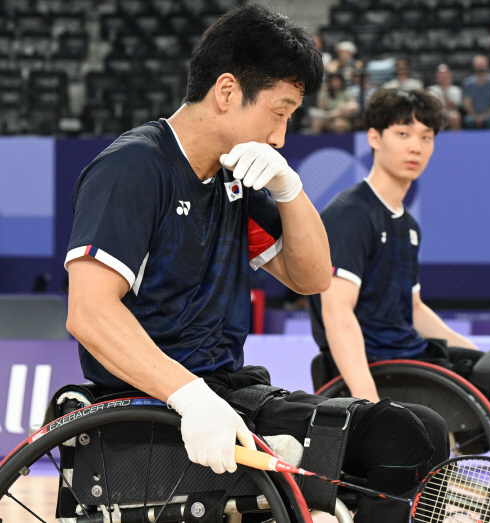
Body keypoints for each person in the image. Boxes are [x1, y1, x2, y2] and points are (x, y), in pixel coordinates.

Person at [64, 7, 447, 523]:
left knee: (418, 430)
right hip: (155, 403)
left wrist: (289, 190)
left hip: (234, 390)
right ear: (226, 92)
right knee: (401, 437)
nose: (282, 136)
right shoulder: (133, 167)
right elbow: (88, 314)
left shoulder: (236, 177)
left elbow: (311, 278)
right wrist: (191, 397)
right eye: (280, 111)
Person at [309, 88, 490, 507]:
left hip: (414, 355)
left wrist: (476, 353)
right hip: (390, 367)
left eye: (426, 136)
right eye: (404, 133)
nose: (417, 146)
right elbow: (336, 311)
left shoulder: (407, 224)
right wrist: (371, 403)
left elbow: (414, 309)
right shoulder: (351, 213)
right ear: (374, 137)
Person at [462, 55, 490, 129]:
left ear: (487, 65)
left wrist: (484, 117)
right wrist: (476, 117)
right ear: (474, 66)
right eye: (478, 64)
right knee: (469, 121)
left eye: (482, 64)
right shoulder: (468, 83)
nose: (480, 66)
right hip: (473, 115)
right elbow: (467, 105)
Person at [427, 63, 462, 130]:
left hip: (449, 112)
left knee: (455, 116)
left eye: (445, 74)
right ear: (437, 76)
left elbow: (452, 106)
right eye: (441, 74)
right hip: (436, 112)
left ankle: (456, 138)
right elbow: (433, 106)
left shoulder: (455, 90)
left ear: (450, 76)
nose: (443, 76)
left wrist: (445, 90)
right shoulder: (431, 90)